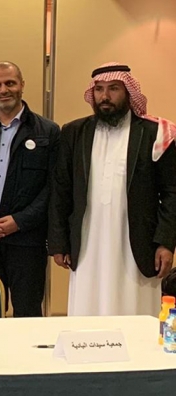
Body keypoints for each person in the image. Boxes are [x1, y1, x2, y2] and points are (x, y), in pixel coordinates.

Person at [49, 62, 176, 316]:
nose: (105, 96)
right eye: (99, 89)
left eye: (114, 88)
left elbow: (172, 192)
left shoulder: (154, 133)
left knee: (136, 310)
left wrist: (165, 243)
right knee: (87, 310)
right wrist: (58, 242)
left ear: (128, 92)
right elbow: (61, 190)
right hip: (88, 242)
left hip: (138, 245)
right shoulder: (74, 132)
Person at [0, 62, 60, 317]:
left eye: (10, 83)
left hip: (26, 242)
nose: (3, 90)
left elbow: (53, 189)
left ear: (22, 85)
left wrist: (19, 221)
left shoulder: (47, 131)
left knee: (27, 314)